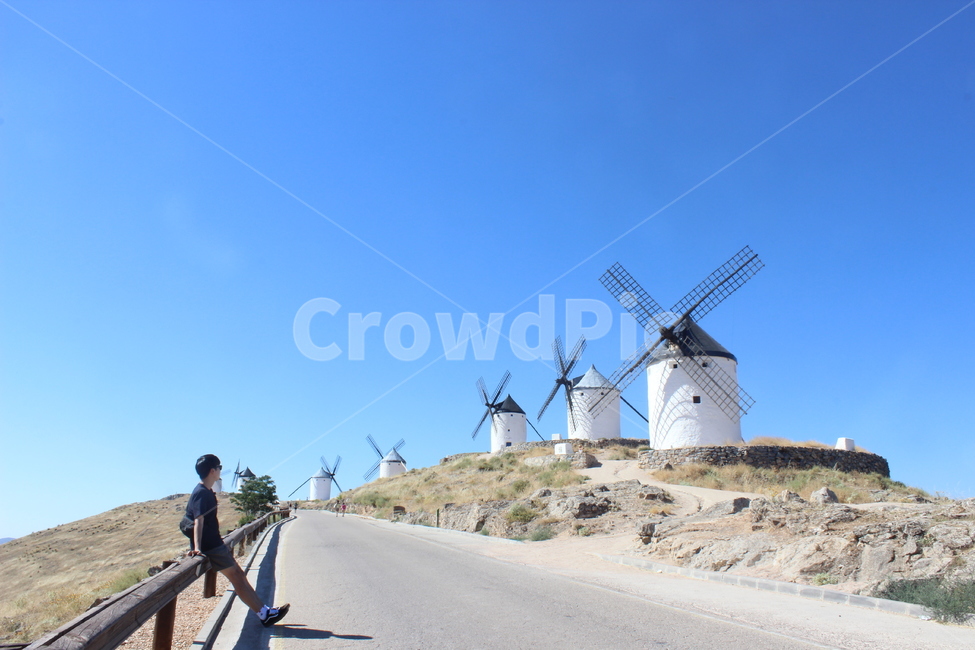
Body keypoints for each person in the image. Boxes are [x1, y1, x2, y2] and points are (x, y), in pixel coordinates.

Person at [184, 454, 289, 627]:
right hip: (211, 546)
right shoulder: (201, 493)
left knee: (239, 576)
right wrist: (197, 547)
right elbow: (198, 521)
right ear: (212, 471)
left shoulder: (206, 491)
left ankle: (265, 611)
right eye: (219, 467)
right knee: (237, 578)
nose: (220, 470)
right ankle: (264, 614)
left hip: (214, 543)